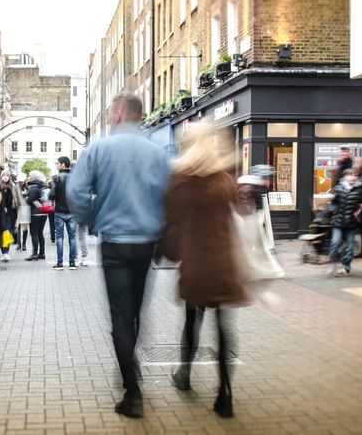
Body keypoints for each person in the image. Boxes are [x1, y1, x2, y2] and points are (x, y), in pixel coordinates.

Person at [66, 92, 172, 419]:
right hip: (146, 244)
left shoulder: (98, 149)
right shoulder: (157, 153)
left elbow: (75, 192)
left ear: (120, 113)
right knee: (136, 311)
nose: (110, 117)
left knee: (120, 316)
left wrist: (93, 220)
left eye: (111, 111)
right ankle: (131, 367)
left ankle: (132, 391)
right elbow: (170, 198)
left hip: (114, 242)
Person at [160, 126, 246, 419]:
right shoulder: (224, 180)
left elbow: (171, 228)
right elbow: (240, 210)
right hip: (223, 264)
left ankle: (184, 374)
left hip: (196, 264)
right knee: (223, 327)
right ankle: (225, 393)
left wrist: (170, 253)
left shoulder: (179, 182)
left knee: (192, 321)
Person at [328, 168, 362, 277]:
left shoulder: (360, 190)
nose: (353, 177)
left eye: (355, 175)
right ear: (345, 177)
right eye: (350, 175)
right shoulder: (338, 189)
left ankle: (345, 267)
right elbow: (333, 203)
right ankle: (333, 261)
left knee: (349, 247)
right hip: (338, 222)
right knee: (335, 243)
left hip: (351, 223)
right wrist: (333, 210)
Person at [336, 146, 362, 258]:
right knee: (353, 227)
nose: (356, 165)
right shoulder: (350, 171)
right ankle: (351, 248)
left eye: (358, 164)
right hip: (353, 203)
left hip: (361, 205)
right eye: (355, 164)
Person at [49, 156, 79, 270]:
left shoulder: (56, 177)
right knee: (72, 237)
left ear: (62, 164)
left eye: (58, 163)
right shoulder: (75, 177)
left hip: (59, 212)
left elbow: (51, 195)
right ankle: (72, 263)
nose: (57, 165)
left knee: (59, 237)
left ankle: (60, 263)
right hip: (72, 212)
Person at [23, 171, 49, 261]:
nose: (28, 177)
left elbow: (29, 200)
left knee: (34, 233)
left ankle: (34, 253)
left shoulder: (33, 187)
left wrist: (26, 197)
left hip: (35, 213)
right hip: (43, 213)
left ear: (34, 178)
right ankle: (42, 253)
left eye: (29, 176)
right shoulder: (41, 187)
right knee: (40, 233)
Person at [0, 172, 21, 263]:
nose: (5, 177)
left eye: (7, 175)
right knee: (0, 233)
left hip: (10, 213)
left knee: (7, 232)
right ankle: (3, 252)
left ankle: (5, 252)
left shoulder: (13, 186)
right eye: (3, 175)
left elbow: (17, 199)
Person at [16, 178, 32, 253]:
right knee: (17, 227)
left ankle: (24, 244)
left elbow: (30, 198)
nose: (20, 183)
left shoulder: (28, 188)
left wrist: (25, 195)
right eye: (19, 182)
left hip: (25, 209)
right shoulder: (15, 188)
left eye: (21, 182)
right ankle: (19, 243)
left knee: (25, 228)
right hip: (17, 209)